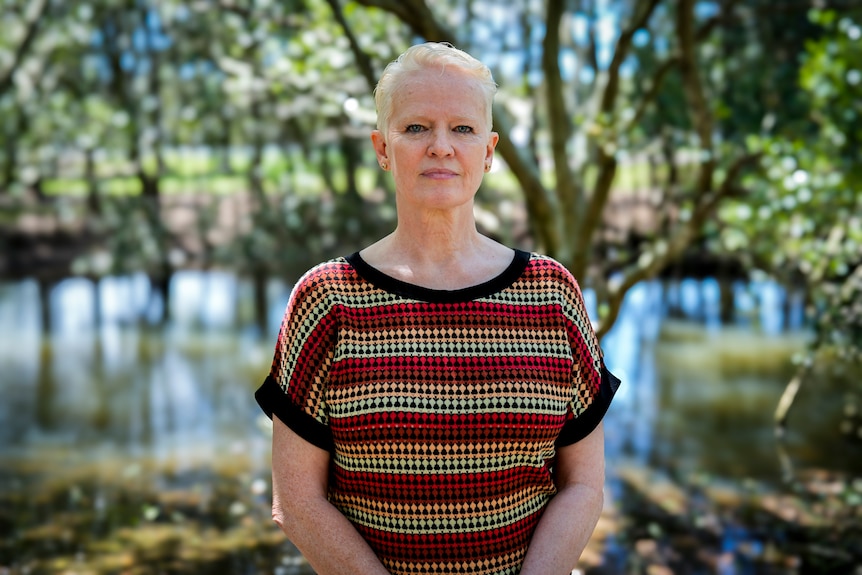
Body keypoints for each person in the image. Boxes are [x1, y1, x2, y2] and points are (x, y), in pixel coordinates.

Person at [255, 41, 620, 575]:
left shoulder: (551, 291)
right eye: (416, 128)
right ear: (383, 148)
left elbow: (584, 483)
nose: (441, 147)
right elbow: (297, 502)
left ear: (489, 150)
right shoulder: (327, 299)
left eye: (463, 129)